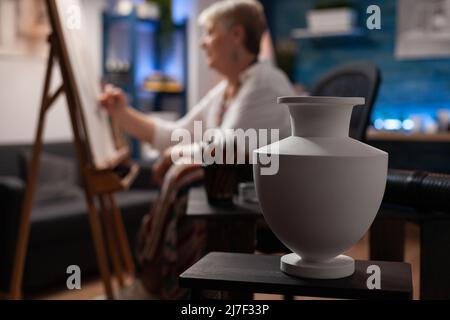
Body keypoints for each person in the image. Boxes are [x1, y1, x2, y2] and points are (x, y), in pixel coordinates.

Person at [99, 0, 295, 299]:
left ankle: (160, 284)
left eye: (209, 33)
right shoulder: (227, 89)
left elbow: (227, 147)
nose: (203, 42)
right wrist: (122, 114)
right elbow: (175, 134)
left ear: (237, 35)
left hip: (266, 200)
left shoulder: (266, 81)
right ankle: (176, 286)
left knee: (185, 172)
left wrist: (178, 154)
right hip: (234, 190)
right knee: (186, 169)